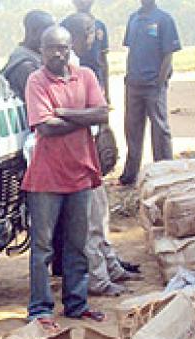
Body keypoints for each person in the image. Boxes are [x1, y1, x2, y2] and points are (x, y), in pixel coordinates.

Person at [23, 26, 109, 327]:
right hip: (46, 177)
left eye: (62, 47)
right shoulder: (36, 81)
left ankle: (76, 304)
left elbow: (102, 114)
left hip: (81, 172)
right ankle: (40, 310)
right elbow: (46, 127)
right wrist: (83, 115)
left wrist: (64, 112)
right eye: (51, 48)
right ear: (41, 50)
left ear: (71, 47)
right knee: (43, 248)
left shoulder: (85, 75)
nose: (57, 53)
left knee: (78, 244)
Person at [62, 12, 139, 297]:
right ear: (78, 36)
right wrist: (90, 115)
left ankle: (109, 267)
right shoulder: (70, 70)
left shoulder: (82, 67)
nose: (94, 37)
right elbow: (87, 113)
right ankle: (97, 279)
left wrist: (94, 116)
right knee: (91, 221)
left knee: (100, 212)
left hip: (89, 148)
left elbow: (99, 111)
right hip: (77, 153)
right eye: (89, 32)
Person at [119, 0, 181, 186]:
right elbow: (131, 51)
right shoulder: (133, 19)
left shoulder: (164, 20)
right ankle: (131, 173)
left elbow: (168, 56)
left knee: (160, 129)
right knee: (132, 129)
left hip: (154, 85)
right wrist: (129, 76)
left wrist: (160, 82)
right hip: (134, 84)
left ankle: (164, 171)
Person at [1, 10, 55, 102]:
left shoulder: (38, 57)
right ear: (33, 32)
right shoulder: (25, 66)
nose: (53, 37)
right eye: (48, 33)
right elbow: (43, 101)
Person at [70, 0, 110, 101]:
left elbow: (103, 60)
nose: (83, 2)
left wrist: (107, 92)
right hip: (73, 84)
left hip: (97, 81)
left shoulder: (100, 25)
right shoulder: (65, 25)